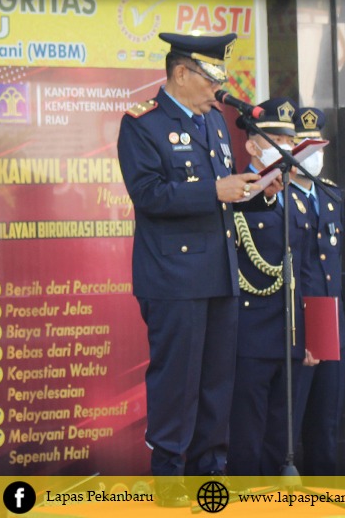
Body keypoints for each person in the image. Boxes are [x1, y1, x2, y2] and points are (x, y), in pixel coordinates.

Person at [117, 32, 280, 506]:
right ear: (181, 73)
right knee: (178, 386)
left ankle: (210, 474)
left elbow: (224, 199)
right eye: (210, 79)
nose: (217, 89)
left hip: (220, 274)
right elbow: (148, 195)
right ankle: (170, 484)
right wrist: (214, 191)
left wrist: (258, 194)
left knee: (216, 385)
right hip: (174, 279)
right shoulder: (143, 124)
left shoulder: (212, 123)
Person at [228, 97, 313, 475]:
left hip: (290, 331)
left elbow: (308, 269)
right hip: (248, 332)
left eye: (290, 141)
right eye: (276, 140)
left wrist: (313, 335)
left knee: (282, 433)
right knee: (247, 432)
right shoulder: (235, 193)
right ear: (252, 145)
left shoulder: (297, 198)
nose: (285, 148)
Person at [290, 106, 345, 476]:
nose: (312, 154)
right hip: (295, 326)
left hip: (330, 325)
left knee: (325, 426)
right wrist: (300, 335)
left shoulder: (331, 196)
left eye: (317, 145)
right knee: (287, 426)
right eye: (302, 145)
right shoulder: (275, 197)